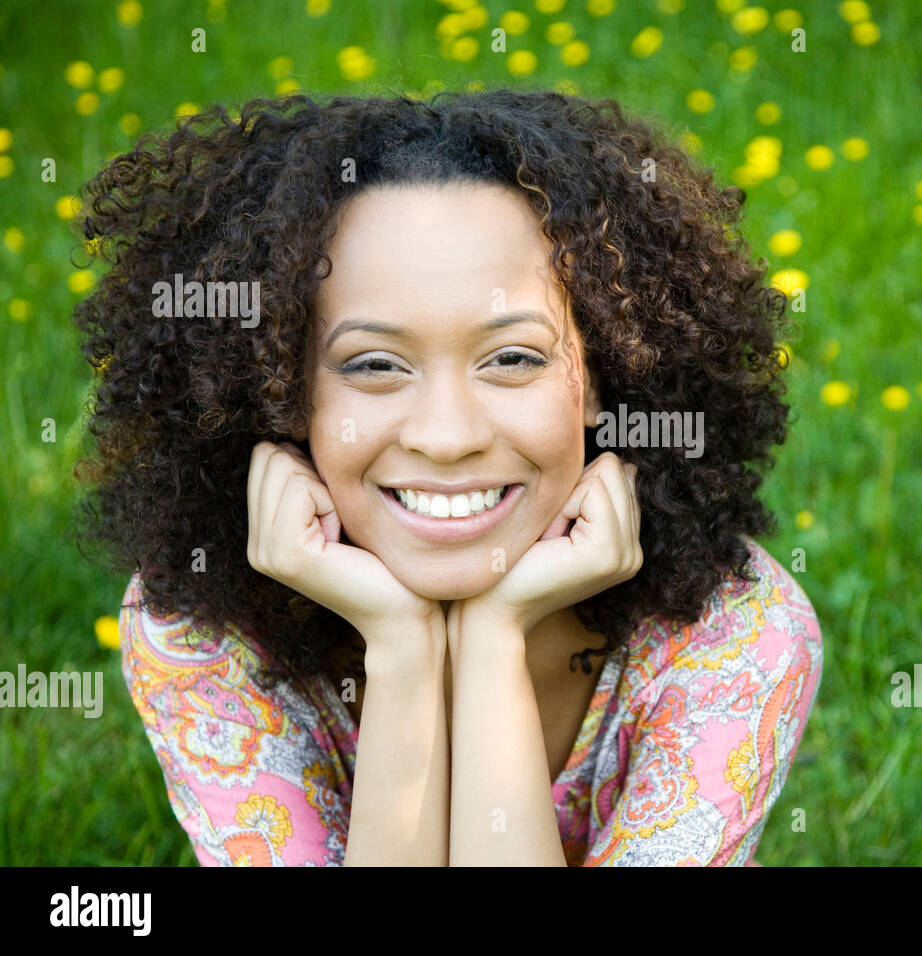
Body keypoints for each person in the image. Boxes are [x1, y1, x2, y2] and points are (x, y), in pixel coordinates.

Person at [73, 88, 823, 865]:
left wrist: (492, 642)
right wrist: (400, 649)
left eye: (512, 358)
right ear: (279, 388)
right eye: (374, 364)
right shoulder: (204, 632)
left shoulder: (734, 641)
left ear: (607, 372)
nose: (448, 436)